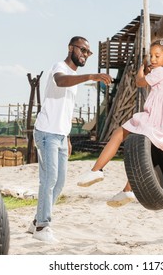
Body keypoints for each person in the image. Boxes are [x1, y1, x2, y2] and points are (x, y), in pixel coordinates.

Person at [77, 35, 163, 207]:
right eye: (151, 55)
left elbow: (139, 82)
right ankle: (128, 190)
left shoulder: (160, 72)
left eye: (158, 56)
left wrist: (142, 67)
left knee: (118, 134)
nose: (154, 59)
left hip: (155, 118)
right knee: (143, 155)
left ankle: (96, 170)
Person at [28, 36, 112, 242]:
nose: (85, 55)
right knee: (49, 180)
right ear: (71, 48)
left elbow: (64, 110)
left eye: (88, 53)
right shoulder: (60, 68)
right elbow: (60, 81)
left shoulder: (74, 76)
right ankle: (42, 227)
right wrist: (91, 76)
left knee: (59, 183)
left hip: (60, 135)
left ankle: (36, 221)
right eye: (82, 50)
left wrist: (67, 136)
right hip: (46, 132)